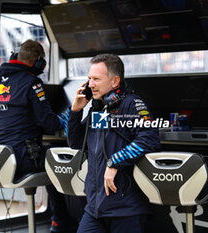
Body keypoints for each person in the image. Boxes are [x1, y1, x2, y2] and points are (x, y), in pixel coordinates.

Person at [0, 39, 80, 233]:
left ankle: (59, 221)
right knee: (68, 158)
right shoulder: (32, 83)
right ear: (38, 63)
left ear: (14, 57)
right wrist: (69, 115)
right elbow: (49, 124)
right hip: (24, 160)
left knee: (50, 157)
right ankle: (67, 222)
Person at [66, 54, 160, 233]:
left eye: (96, 79)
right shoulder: (100, 109)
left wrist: (115, 161)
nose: (90, 84)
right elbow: (77, 143)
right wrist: (76, 111)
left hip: (125, 209)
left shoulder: (132, 104)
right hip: (95, 207)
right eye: (89, 79)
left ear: (115, 81)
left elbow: (149, 138)